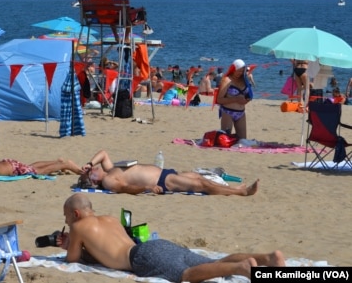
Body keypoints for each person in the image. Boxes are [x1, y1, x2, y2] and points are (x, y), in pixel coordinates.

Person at [57, 194, 285, 283]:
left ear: (76, 214)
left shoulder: (78, 226)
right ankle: (268, 258)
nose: (66, 221)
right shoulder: (108, 218)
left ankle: (242, 268)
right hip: (155, 245)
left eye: (67, 216)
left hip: (141, 257)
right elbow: (107, 248)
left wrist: (70, 245)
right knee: (212, 264)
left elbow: (73, 261)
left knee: (185, 276)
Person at [79, 149, 258, 196]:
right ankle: (241, 192)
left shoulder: (109, 169)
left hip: (164, 172)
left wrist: (88, 163)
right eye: (90, 173)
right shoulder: (108, 181)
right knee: (201, 185)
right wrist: (147, 188)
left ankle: (235, 188)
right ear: (93, 181)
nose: (93, 169)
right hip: (162, 181)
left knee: (198, 177)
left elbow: (102, 153)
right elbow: (126, 187)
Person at [0, 133, 84, 178]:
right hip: (6, 165)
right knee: (30, 167)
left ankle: (64, 164)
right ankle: (57, 161)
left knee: (36, 172)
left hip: (11, 169)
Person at [216, 59, 252, 139]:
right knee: (225, 139)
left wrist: (247, 100)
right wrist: (236, 99)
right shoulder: (227, 80)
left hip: (241, 113)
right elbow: (219, 99)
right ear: (233, 69)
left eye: (242, 71)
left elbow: (249, 95)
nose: (240, 73)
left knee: (243, 140)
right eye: (238, 71)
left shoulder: (244, 80)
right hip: (228, 112)